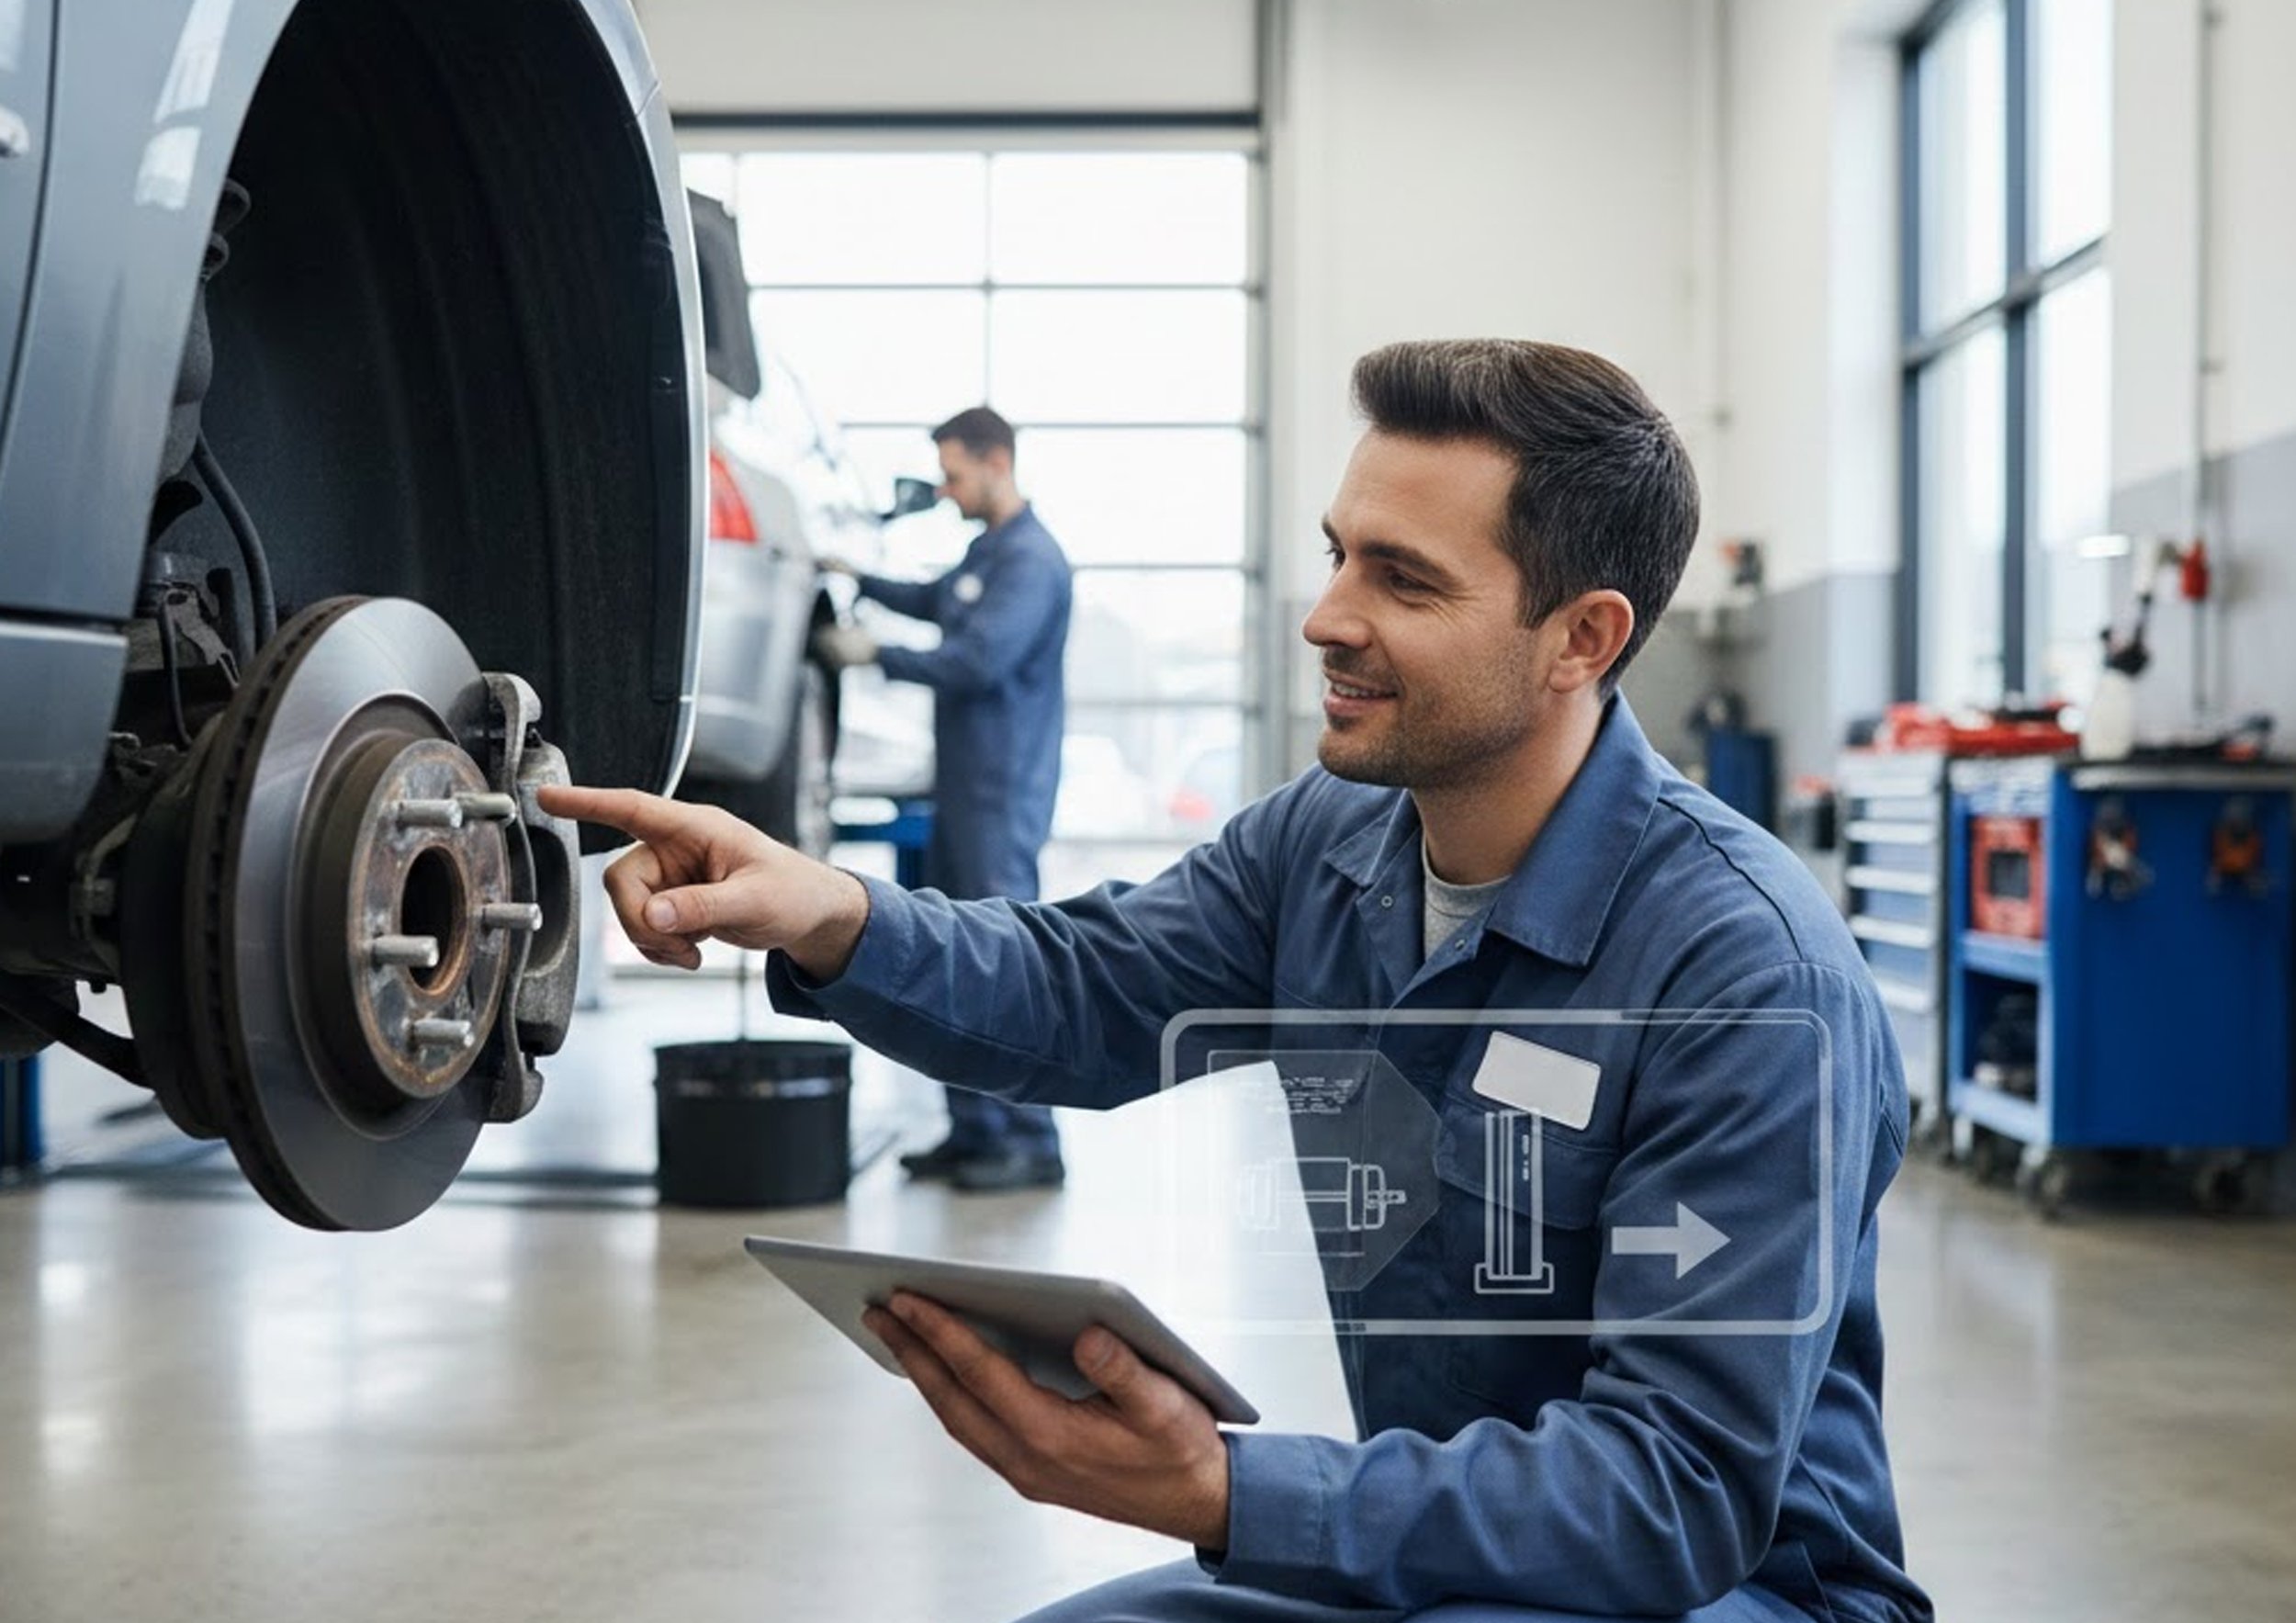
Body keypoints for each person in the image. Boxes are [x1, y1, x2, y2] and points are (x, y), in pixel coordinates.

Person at [541, 340, 1930, 1622]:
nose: (1325, 617)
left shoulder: (1746, 981)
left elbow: (1671, 1492)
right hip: (1440, 1550)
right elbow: (1092, 988)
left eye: (1404, 580)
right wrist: (830, 915)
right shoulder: (1327, 844)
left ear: (1581, 638)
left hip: (1732, 1593)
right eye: (1338, 555)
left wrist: (1226, 1492)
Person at [812, 405, 1073, 1192]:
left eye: (954, 475)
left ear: (997, 464)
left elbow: (978, 658)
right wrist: (857, 576)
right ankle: (974, 1131)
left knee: (1007, 962)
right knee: (961, 956)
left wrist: (875, 653)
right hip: (965, 793)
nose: (946, 491)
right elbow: (935, 598)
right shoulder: (986, 552)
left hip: (1004, 793)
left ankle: (1032, 1139)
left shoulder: (1032, 561)